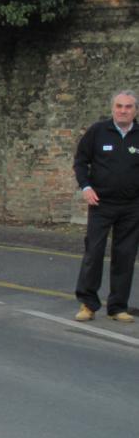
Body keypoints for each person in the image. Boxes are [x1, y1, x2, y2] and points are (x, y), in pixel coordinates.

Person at [73, 90, 139, 323]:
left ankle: (118, 307)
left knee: (125, 256)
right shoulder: (98, 132)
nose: (123, 110)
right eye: (119, 106)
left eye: (128, 107)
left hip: (132, 207)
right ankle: (88, 304)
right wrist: (85, 187)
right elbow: (81, 161)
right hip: (101, 203)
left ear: (135, 110)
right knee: (94, 252)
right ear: (112, 108)